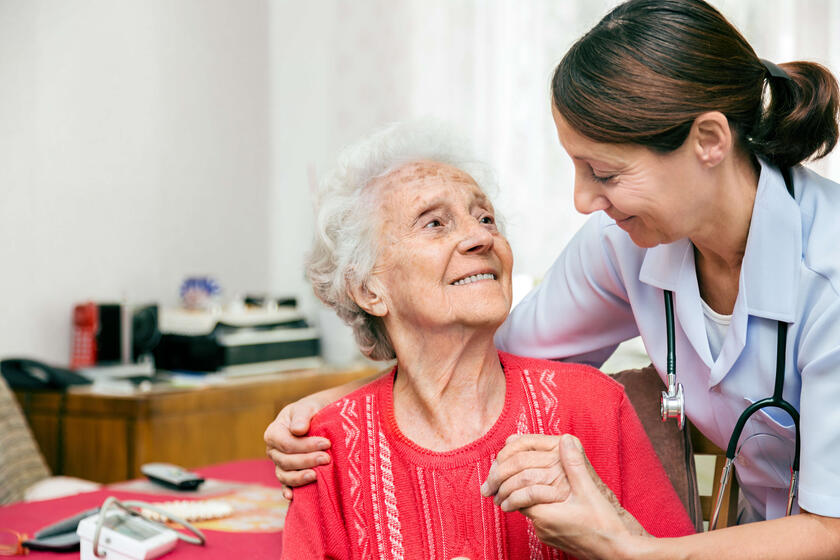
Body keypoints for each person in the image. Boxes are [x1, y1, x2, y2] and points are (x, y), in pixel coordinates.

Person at [267, 0, 840, 557]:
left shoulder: (828, 271)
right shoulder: (623, 242)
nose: (582, 200)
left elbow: (831, 527)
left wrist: (630, 552)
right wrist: (350, 406)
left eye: (605, 172)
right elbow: (487, 354)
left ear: (709, 141)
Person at [279, 123, 694, 559]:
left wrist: (605, 528)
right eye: (434, 223)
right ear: (368, 289)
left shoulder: (594, 406)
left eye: (485, 219)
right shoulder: (325, 448)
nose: (481, 238)